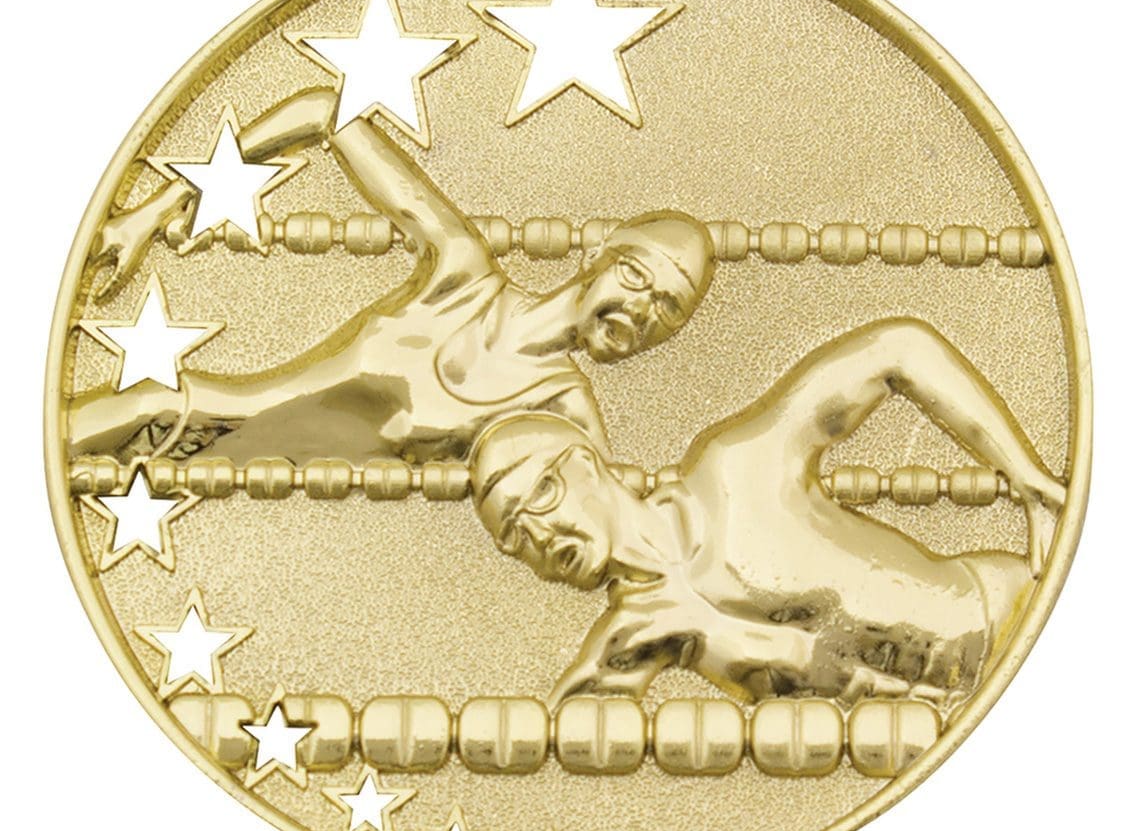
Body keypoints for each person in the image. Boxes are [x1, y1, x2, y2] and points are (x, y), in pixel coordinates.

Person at [70, 93, 715, 465]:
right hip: (162, 420)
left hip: (285, 539)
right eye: (638, 276)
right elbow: (325, 110)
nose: (643, 310)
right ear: (597, 253)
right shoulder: (460, 270)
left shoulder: (562, 409)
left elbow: (611, 530)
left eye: (669, 310)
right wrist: (152, 211)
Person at [470, 318, 1067, 707]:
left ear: (585, 463)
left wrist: (1029, 480)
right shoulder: (632, 637)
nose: (537, 535)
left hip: (1023, 618)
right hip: (956, 741)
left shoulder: (734, 473)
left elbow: (897, 349)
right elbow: (556, 750)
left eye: (540, 495)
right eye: (513, 536)